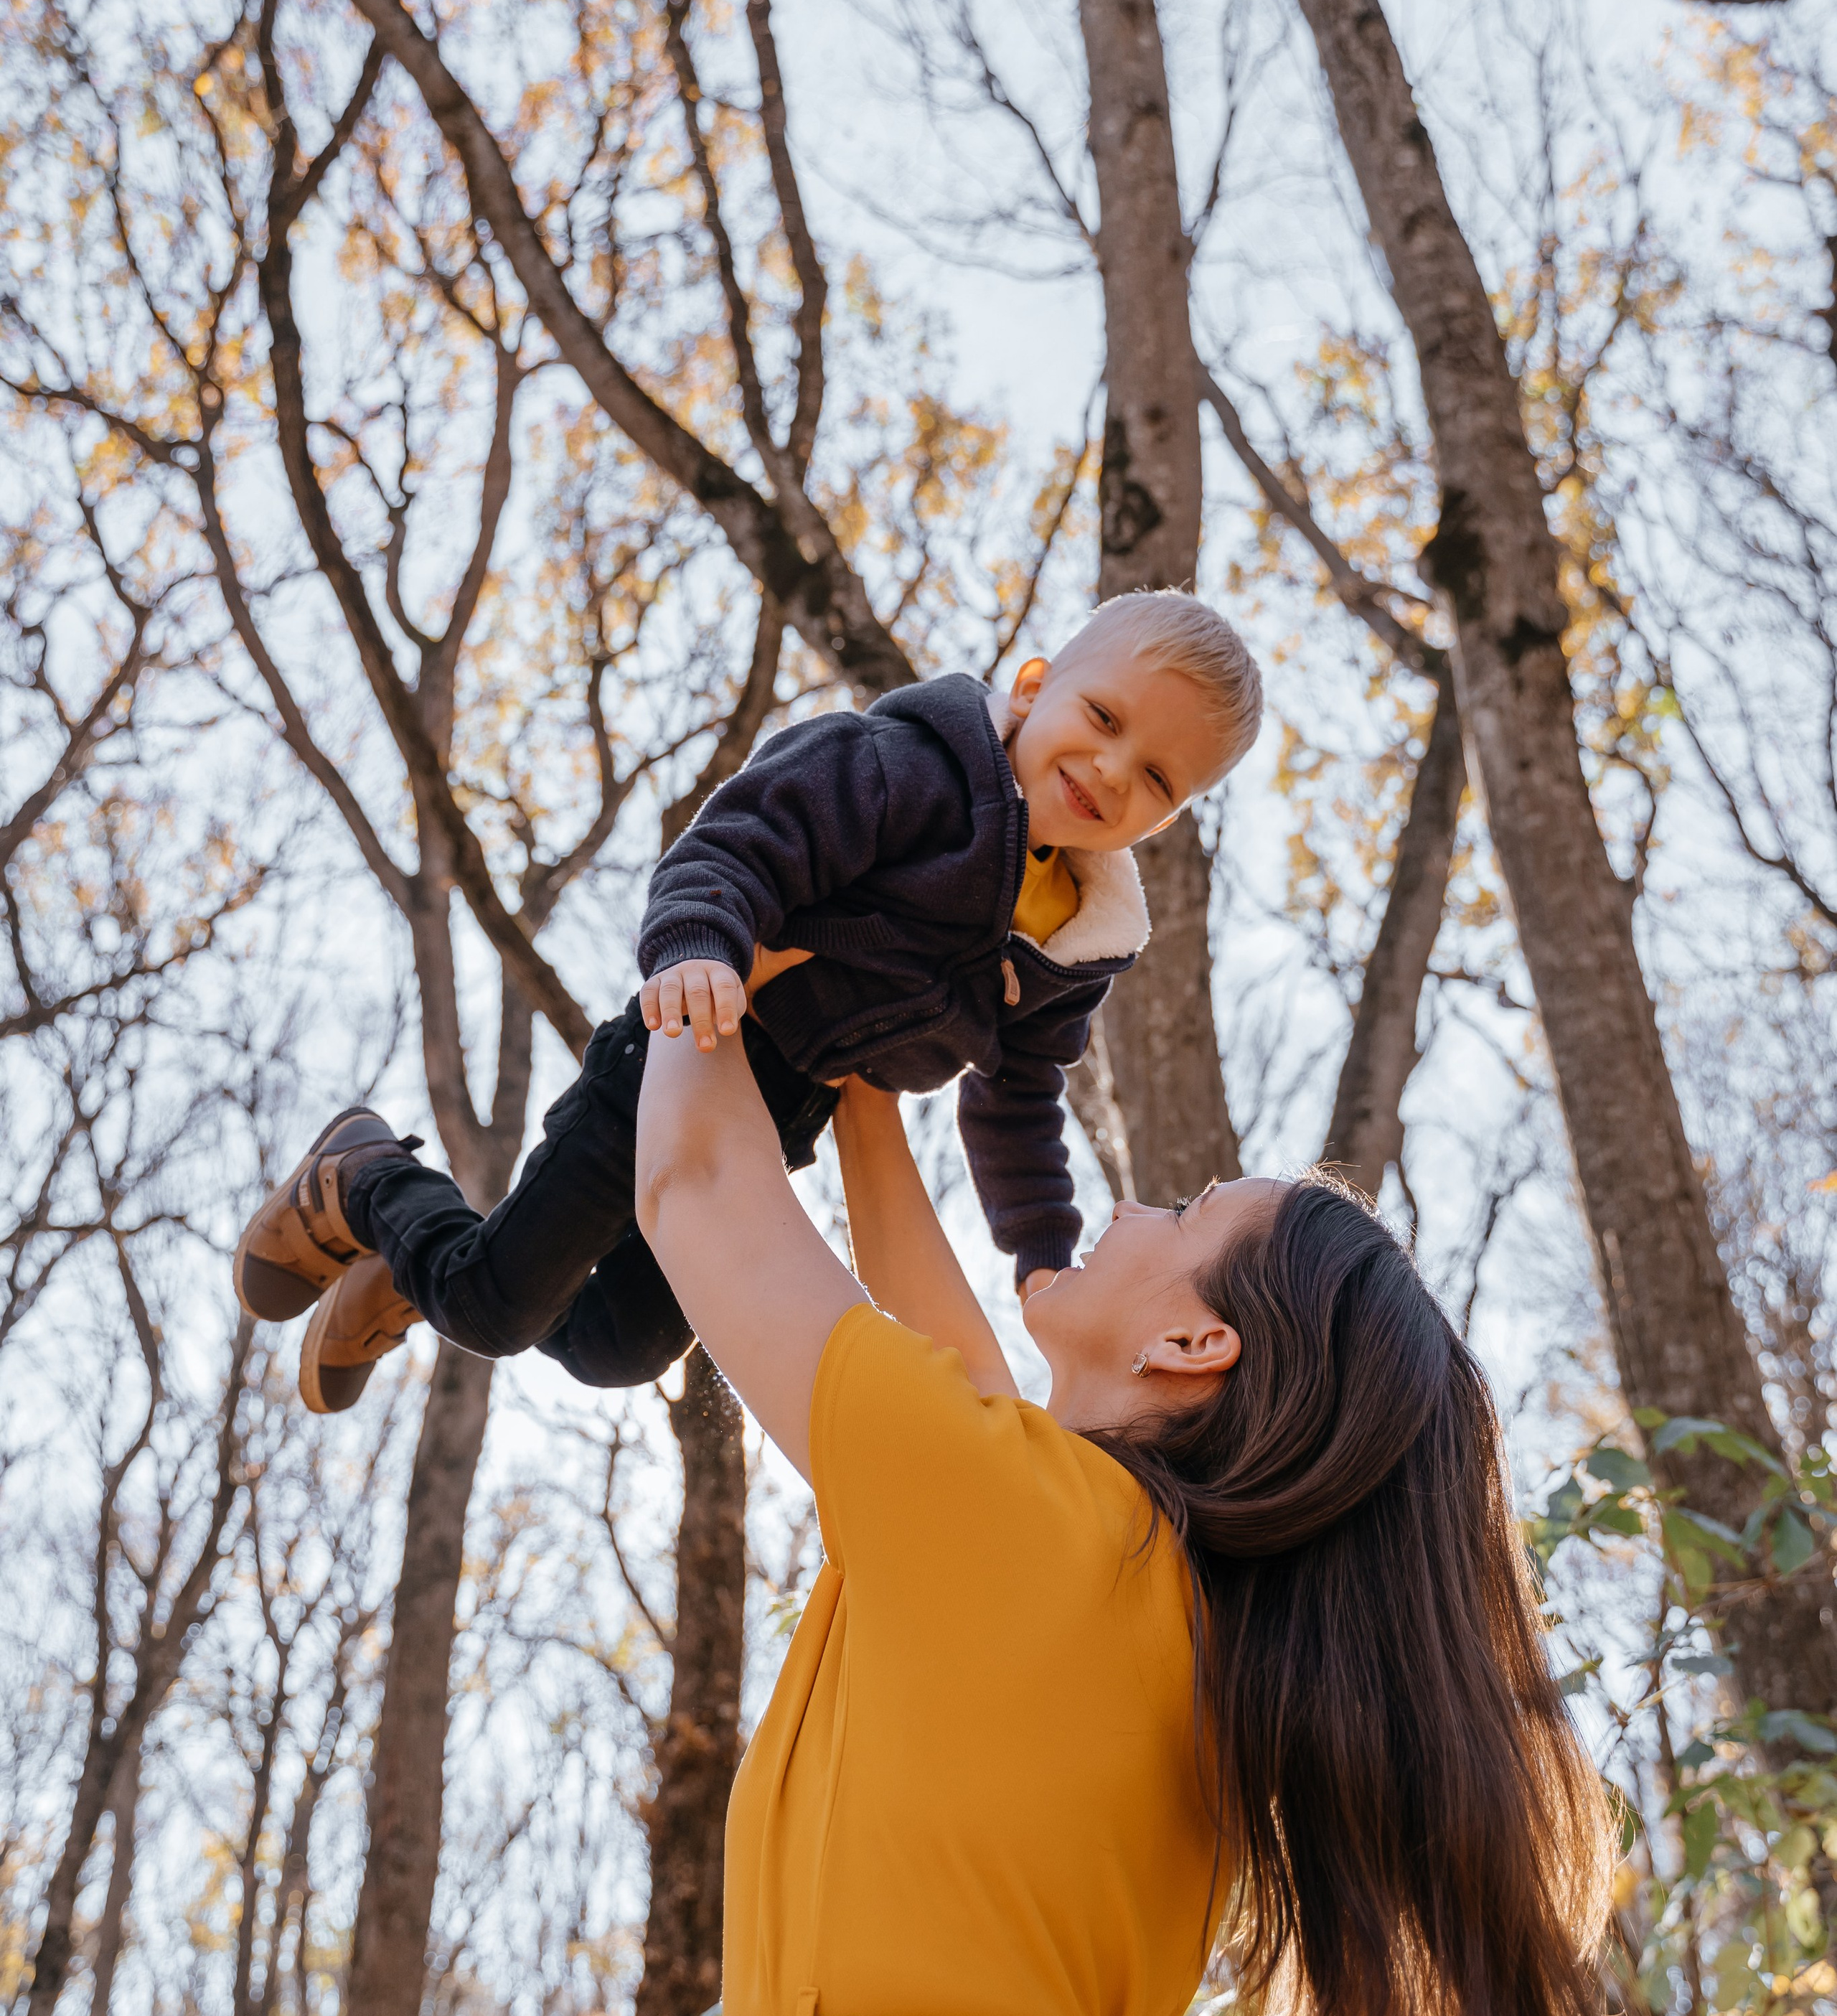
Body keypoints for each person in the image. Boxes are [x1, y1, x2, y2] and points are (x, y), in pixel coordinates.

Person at [632, 1018, 1622, 2016]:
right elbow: (963, 1384)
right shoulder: (1141, 1596)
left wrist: (720, 934)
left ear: (1192, 1339)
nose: (1137, 1204)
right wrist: (862, 1104)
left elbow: (691, 1181)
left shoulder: (1033, 1533)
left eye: (1186, 1209)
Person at [231, 588, 1261, 1411]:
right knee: (499, 1310)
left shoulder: (1071, 941)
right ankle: (365, 1179)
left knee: (622, 1348)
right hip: (689, 1039)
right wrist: (698, 945)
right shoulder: (914, 771)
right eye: (1104, 717)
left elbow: (1020, 1095)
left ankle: (423, 1268)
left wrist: (1042, 1253)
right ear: (1035, 688)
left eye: (1158, 779)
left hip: (776, 1128)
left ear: (1167, 820)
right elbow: (745, 838)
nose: (1112, 771)